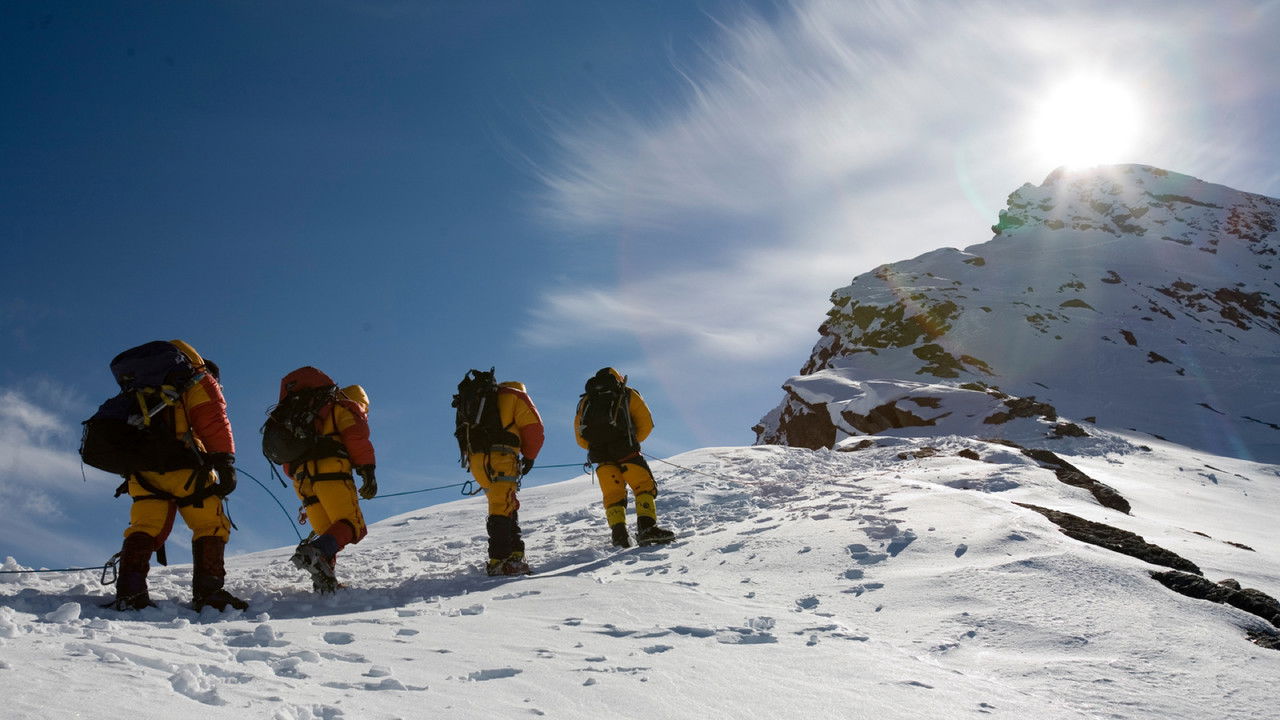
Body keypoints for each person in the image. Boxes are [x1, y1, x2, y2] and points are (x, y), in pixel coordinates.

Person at [108, 339, 247, 612]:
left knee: (144, 527)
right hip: (186, 470)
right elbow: (213, 419)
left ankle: (130, 592)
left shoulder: (140, 387)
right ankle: (209, 593)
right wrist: (225, 463)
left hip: (143, 475)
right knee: (210, 525)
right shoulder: (198, 380)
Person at [278, 367, 377, 593]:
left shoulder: (307, 414)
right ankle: (317, 554)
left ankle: (323, 579)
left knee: (330, 532)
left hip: (302, 480)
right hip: (331, 471)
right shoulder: (343, 408)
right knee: (352, 525)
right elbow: (356, 437)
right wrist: (367, 470)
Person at [452, 369, 544, 576]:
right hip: (501, 456)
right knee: (502, 505)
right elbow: (534, 429)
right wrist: (529, 457)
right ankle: (500, 560)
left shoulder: (482, 400)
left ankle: (514, 554)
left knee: (501, 503)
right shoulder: (515, 396)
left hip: (476, 459)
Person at [574, 367, 675, 547]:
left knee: (613, 494)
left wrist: (599, 445)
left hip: (600, 455)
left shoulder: (586, 401)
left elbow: (580, 437)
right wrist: (632, 440)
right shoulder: (626, 393)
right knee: (643, 486)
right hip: (626, 450)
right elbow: (646, 422)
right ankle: (647, 528)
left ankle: (619, 535)